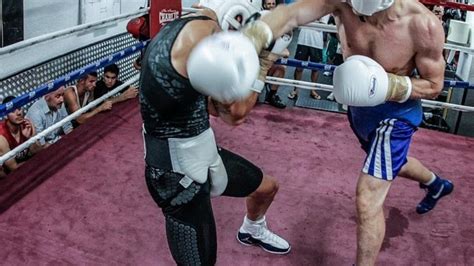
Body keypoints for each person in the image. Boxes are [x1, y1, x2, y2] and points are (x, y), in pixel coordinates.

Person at [243, 0, 453, 264]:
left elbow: (434, 84)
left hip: (395, 118)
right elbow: (291, 13)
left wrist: (388, 85)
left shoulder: (423, 25)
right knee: (393, 164)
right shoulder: (341, 3)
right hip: (359, 111)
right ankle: (436, 184)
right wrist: (253, 36)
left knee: (367, 200)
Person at [139, 0, 290, 265]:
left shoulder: (188, 30)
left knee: (266, 188)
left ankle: (252, 229)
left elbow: (213, 108)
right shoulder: (204, 40)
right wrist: (264, 63)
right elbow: (235, 115)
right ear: (236, 17)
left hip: (203, 152)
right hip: (176, 177)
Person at [288, 15, 329, 100]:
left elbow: (322, 24)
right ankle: (295, 90)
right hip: (303, 40)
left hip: (316, 42)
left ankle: (313, 90)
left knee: (315, 68)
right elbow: (301, 19)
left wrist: (309, 18)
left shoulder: (324, 6)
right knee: (299, 67)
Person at [0, 96, 36, 174]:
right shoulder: (1, 136)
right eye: (13, 111)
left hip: (24, 165)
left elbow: (38, 151)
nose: (19, 113)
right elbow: (13, 168)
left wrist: (30, 139)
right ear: (5, 115)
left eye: (19, 108)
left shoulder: (27, 124)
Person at [262, 0, 288, 108]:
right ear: (264, 5)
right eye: (269, 4)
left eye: (273, 4)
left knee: (281, 68)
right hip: (259, 60)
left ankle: (271, 95)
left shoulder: (279, 22)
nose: (271, 6)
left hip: (271, 57)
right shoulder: (260, 19)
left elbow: (286, 51)